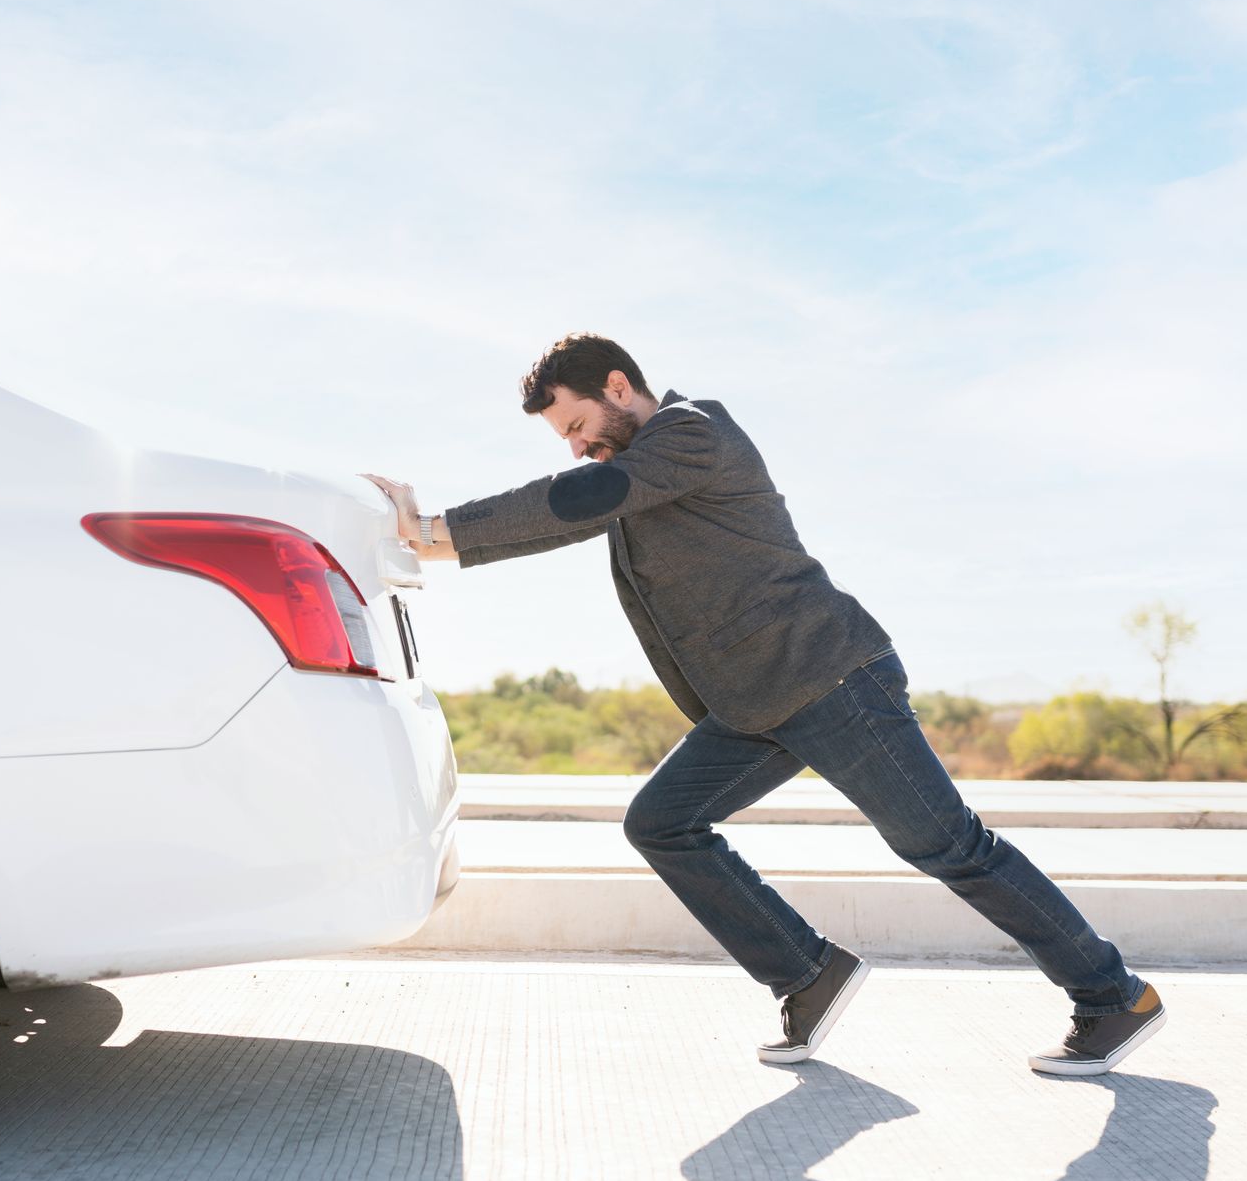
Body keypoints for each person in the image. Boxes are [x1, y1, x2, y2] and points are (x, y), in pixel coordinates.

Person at [361, 332, 1167, 1075]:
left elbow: (581, 495)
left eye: (576, 423)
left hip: (832, 679)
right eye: (564, 438)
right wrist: (432, 541)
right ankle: (808, 973)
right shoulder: (640, 474)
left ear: (617, 384)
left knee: (949, 845)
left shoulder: (691, 431)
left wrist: (440, 527)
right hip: (756, 703)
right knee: (661, 821)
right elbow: (574, 512)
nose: (576, 443)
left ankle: (1113, 995)